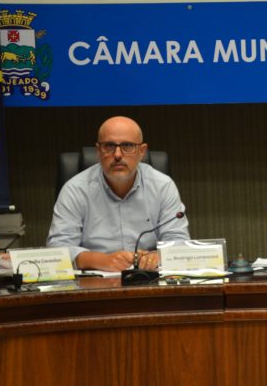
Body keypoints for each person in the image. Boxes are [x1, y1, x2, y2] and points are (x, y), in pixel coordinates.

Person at [47, 116, 189, 271]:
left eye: (127, 145)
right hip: (94, 278)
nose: (118, 155)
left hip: (148, 277)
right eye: (109, 146)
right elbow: (58, 248)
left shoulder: (163, 186)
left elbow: (179, 241)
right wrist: (101, 260)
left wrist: (158, 257)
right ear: (98, 151)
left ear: (142, 151)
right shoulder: (75, 189)